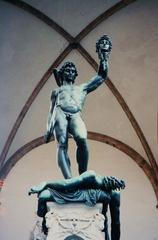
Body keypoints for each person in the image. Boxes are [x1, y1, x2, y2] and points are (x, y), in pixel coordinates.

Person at [44, 35, 112, 179]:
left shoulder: (82, 88)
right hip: (60, 112)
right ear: (62, 74)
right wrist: (48, 128)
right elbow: (51, 111)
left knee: (82, 139)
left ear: (75, 75)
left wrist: (104, 57)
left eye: (72, 71)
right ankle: (69, 179)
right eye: (67, 70)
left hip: (75, 114)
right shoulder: (56, 91)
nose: (70, 72)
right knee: (62, 145)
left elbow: (101, 76)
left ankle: (82, 175)